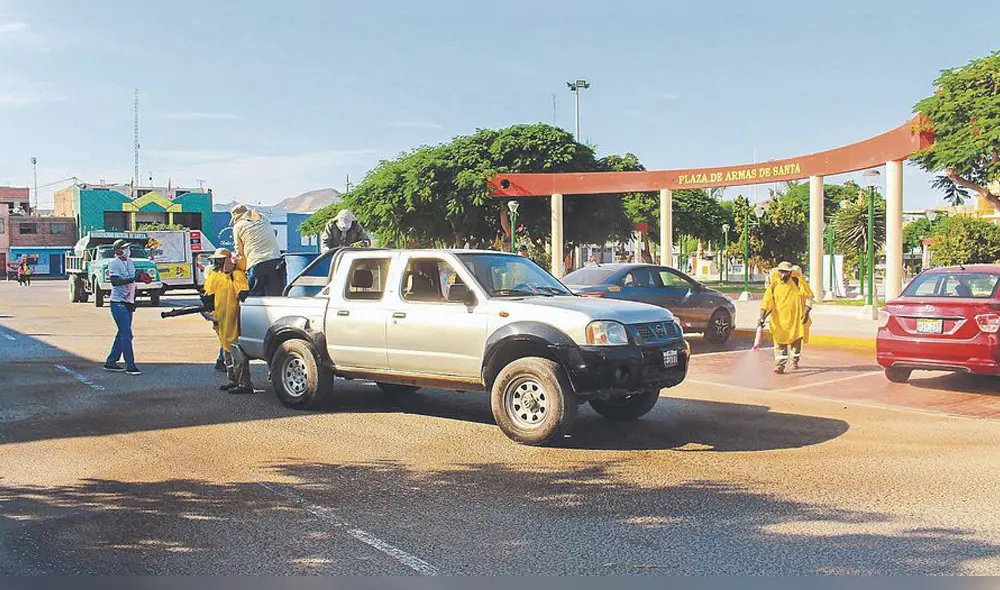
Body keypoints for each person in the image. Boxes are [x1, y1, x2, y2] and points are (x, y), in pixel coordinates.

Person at [203, 247, 254, 394]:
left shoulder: (236, 275)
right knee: (226, 350)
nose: (217, 262)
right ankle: (233, 380)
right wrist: (209, 312)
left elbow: (243, 293)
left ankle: (244, 383)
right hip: (220, 318)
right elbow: (209, 294)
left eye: (220, 259)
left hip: (233, 318)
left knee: (236, 350)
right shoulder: (215, 275)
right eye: (216, 260)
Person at [103, 240, 150, 375]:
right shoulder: (114, 263)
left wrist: (140, 278)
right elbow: (115, 281)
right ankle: (130, 365)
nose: (128, 250)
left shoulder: (130, 262)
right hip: (117, 302)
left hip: (127, 302)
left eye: (128, 248)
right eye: (124, 248)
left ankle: (111, 362)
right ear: (118, 250)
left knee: (122, 334)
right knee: (126, 334)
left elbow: (132, 283)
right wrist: (133, 278)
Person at [759, 261, 812, 374]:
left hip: (796, 320)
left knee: (796, 343)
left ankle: (794, 360)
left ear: (790, 273)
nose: (783, 274)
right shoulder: (774, 285)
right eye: (781, 271)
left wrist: (806, 312)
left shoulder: (797, 282)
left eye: (786, 272)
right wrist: (761, 317)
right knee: (779, 343)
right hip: (779, 321)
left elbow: (808, 296)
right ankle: (780, 366)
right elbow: (766, 302)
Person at [231, 204, 284, 297]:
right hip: (275, 259)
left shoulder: (238, 226)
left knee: (252, 297)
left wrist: (240, 269)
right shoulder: (263, 218)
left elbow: (240, 252)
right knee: (275, 296)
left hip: (256, 261)